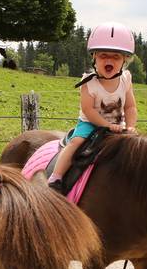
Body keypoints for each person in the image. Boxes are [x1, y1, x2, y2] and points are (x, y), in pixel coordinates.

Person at [47, 21, 138, 192]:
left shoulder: (126, 79)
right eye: (103, 55)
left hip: (118, 125)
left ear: (124, 60)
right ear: (94, 57)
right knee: (76, 142)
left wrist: (131, 126)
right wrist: (107, 125)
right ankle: (56, 177)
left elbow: (130, 107)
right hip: (90, 122)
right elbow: (88, 110)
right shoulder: (89, 82)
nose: (109, 60)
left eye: (116, 57)